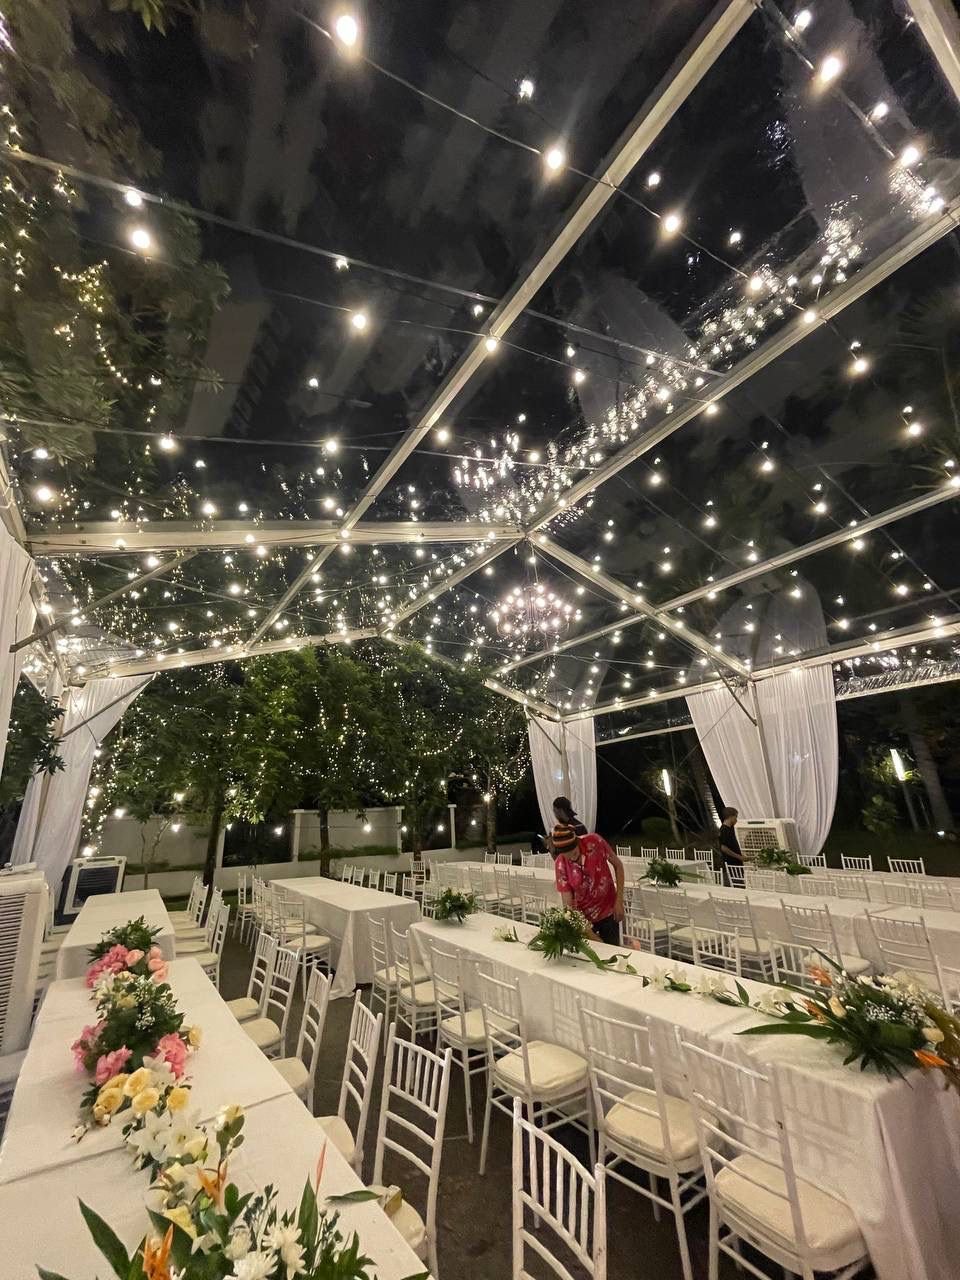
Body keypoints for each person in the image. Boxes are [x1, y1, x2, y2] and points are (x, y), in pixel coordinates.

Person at [554, 830, 625, 946]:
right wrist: (590, 934)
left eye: (574, 853)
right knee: (594, 953)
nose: (572, 858)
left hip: (608, 910)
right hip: (584, 918)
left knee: (614, 952)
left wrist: (619, 901)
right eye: (568, 856)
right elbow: (569, 907)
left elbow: (618, 865)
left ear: (577, 842)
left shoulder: (595, 841)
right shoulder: (560, 863)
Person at [547, 796, 587, 860]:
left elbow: (558, 856)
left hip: (572, 864)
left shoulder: (563, 830)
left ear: (560, 811)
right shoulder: (580, 826)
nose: (554, 814)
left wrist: (550, 843)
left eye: (554, 811)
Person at [718, 807, 743, 881]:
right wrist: (739, 856)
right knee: (737, 881)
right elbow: (723, 848)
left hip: (737, 861)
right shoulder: (723, 830)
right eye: (735, 817)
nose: (736, 819)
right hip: (731, 862)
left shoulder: (731, 827)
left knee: (741, 879)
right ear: (731, 816)